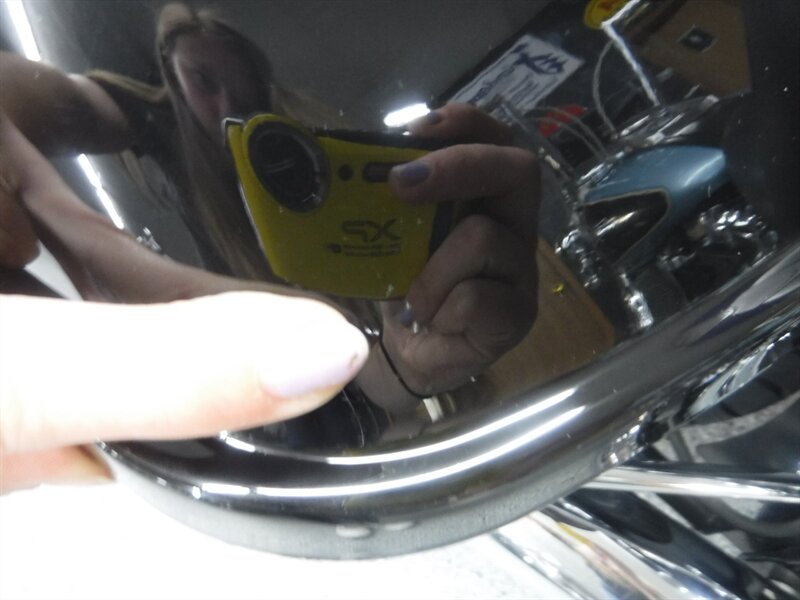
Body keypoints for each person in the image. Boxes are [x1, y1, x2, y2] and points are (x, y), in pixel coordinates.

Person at [0, 4, 540, 492]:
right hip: (244, 441)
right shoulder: (154, 125)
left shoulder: (304, 144)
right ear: (171, 78)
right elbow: (64, 101)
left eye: (242, 87)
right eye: (203, 81)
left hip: (359, 421)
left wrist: (412, 359)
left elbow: (374, 380)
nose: (227, 105)